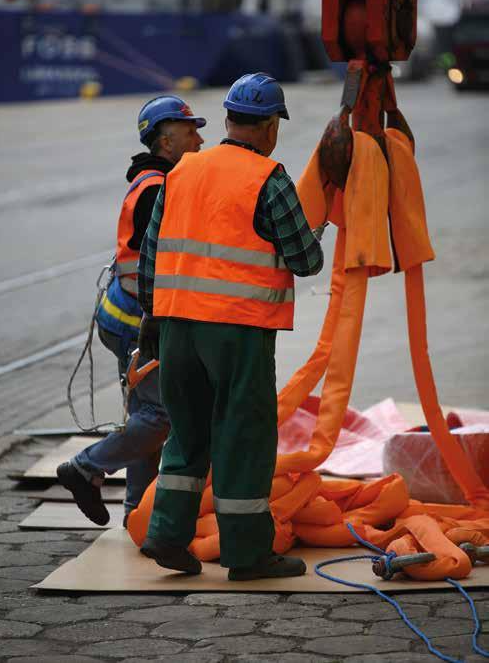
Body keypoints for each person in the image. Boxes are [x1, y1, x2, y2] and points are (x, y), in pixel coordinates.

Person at [137, 73, 324, 580]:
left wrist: (151, 327)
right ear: (268, 126)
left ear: (226, 119)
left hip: (176, 328)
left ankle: (167, 538)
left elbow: (150, 257)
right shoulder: (269, 177)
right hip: (236, 332)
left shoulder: (182, 172)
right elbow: (306, 260)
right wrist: (319, 225)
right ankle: (247, 554)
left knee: (187, 434)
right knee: (243, 437)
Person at [57, 95, 206, 527]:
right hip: (137, 323)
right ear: (165, 140)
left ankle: (137, 514)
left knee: (150, 417)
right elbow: (160, 261)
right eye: (189, 131)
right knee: (160, 417)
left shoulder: (153, 181)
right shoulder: (158, 188)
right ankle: (86, 467)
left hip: (127, 319)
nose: (198, 138)